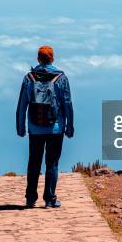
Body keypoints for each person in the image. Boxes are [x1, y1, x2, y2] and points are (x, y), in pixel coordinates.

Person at [16, 45, 74, 208]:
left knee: (34, 162)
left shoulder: (29, 78)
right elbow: (67, 104)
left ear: (38, 59)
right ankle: (49, 199)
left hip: (35, 128)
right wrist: (70, 126)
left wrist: (20, 127)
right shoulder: (61, 78)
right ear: (52, 59)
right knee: (52, 163)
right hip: (56, 129)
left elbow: (22, 104)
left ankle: (30, 198)